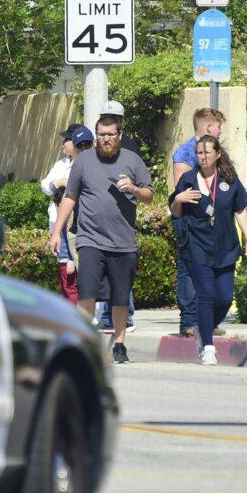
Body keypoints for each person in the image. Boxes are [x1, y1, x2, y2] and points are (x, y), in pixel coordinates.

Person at [49, 114, 154, 364]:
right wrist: (56, 232)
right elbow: (70, 197)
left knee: (120, 296)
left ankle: (119, 344)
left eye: (110, 134)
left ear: (119, 136)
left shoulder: (133, 161)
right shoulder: (84, 161)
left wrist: (134, 189)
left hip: (123, 241)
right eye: (101, 134)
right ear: (96, 136)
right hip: (90, 239)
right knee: (86, 291)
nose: (106, 139)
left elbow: (149, 195)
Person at [170, 136, 247, 365]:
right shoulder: (188, 179)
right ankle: (208, 346)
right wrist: (179, 199)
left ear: (218, 154)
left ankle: (203, 328)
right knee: (206, 295)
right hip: (197, 246)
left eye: (208, 152)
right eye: (199, 153)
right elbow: (176, 213)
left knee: (225, 297)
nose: (203, 157)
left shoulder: (228, 179)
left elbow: (240, 210)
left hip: (225, 246)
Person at [170, 107, 227, 338]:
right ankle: (189, 322)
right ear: (209, 126)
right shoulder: (186, 153)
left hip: (211, 223)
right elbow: (181, 190)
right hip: (189, 222)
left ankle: (207, 321)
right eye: (218, 126)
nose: (221, 130)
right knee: (189, 271)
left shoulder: (216, 151)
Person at [95, 100, 142, 332]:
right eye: (105, 116)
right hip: (100, 220)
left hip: (123, 216)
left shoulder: (130, 147)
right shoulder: (96, 150)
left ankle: (126, 317)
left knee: (122, 268)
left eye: (114, 118)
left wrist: (129, 186)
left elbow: (139, 182)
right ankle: (106, 318)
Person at [41, 123, 95, 304]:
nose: (63, 144)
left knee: (80, 269)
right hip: (59, 222)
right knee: (65, 267)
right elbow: (45, 186)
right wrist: (58, 181)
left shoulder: (87, 164)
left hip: (78, 223)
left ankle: (85, 311)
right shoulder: (61, 164)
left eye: (66, 140)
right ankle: (72, 309)